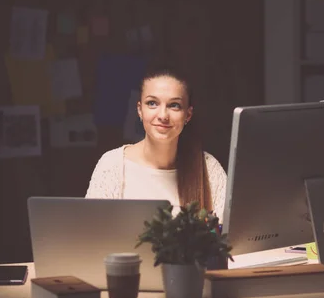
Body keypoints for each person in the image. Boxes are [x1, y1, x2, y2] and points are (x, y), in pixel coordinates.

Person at [85, 67, 227, 218]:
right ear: (140, 110)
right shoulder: (112, 164)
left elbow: (230, 237)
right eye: (152, 103)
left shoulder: (208, 168)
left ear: (188, 115)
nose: (163, 115)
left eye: (174, 105)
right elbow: (91, 233)